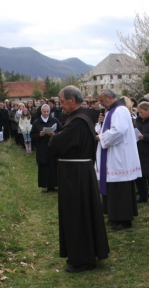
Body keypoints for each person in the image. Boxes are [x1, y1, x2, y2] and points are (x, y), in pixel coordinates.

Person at [49, 85, 110, 273]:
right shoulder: (81, 118)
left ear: (72, 101)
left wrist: (54, 138)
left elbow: (57, 145)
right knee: (82, 212)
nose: (61, 106)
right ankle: (84, 253)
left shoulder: (77, 122)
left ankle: (83, 258)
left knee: (77, 214)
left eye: (62, 102)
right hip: (79, 172)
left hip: (75, 175)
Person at [95, 89, 142, 231]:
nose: (101, 104)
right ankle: (114, 216)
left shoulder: (120, 110)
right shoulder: (111, 111)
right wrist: (99, 125)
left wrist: (101, 138)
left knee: (120, 189)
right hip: (113, 156)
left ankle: (123, 219)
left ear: (110, 97)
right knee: (114, 188)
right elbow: (105, 129)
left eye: (102, 101)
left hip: (120, 157)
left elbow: (119, 130)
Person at [30, 104, 59, 192]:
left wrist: (54, 134)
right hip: (42, 148)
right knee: (44, 167)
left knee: (53, 166)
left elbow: (61, 131)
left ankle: (54, 185)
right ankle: (45, 185)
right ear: (41, 112)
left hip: (52, 148)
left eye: (47, 112)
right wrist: (39, 134)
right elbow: (32, 135)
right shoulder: (36, 122)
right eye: (44, 112)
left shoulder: (54, 120)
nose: (46, 113)